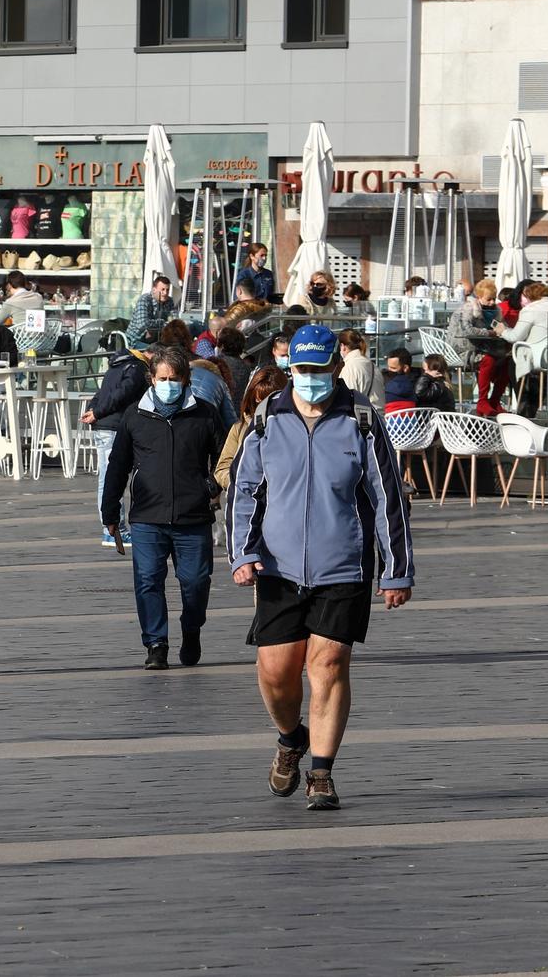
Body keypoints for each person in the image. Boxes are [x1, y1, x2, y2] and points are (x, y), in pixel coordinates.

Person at [226, 325, 413, 813]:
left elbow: (387, 497)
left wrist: (396, 570)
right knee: (275, 673)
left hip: (343, 567)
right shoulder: (267, 419)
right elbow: (243, 491)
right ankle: (291, 737)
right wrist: (242, 554)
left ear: (336, 367)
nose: (310, 379)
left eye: (319, 370)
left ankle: (322, 773)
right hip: (278, 568)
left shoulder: (361, 420)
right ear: (291, 370)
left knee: (327, 666)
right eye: (302, 370)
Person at [101, 347, 227, 669]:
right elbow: (117, 466)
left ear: (185, 379)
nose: (168, 384)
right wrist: (110, 512)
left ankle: (192, 627)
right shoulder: (135, 415)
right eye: (162, 378)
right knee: (147, 581)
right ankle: (156, 644)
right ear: (151, 379)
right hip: (147, 516)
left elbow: (225, 456)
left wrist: (212, 484)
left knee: (196, 582)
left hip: (193, 516)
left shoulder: (204, 413)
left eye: (174, 378)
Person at [83, 345, 150, 549]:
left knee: (107, 476)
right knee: (110, 477)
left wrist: (93, 410)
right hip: (112, 425)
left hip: (102, 425)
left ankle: (112, 528)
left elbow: (103, 392)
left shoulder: (116, 365)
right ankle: (113, 530)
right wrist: (98, 412)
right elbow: (122, 394)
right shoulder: (138, 368)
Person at [500, 281, 548, 414]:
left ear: (530, 296)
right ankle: (535, 404)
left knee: (512, 362)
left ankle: (524, 404)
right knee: (538, 370)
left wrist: (502, 330)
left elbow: (515, 337)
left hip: (541, 358)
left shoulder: (531, 309)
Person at [216, 366, 289, 496]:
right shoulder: (239, 428)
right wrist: (241, 485)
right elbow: (222, 469)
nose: (265, 406)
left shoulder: (292, 428)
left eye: (271, 400)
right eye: (259, 400)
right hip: (245, 500)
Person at [449, 279, 510, 417]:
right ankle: (482, 401)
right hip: (464, 350)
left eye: (494, 299)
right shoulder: (468, 309)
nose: (492, 303)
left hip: (484, 348)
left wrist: (506, 331)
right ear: (479, 297)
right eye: (489, 299)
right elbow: (467, 331)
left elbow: (504, 326)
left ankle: (494, 400)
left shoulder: (495, 311)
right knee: (488, 360)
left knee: (507, 362)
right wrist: (489, 333)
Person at [336, 328, 381, 407]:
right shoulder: (373, 365)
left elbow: (348, 399)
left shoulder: (348, 367)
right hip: (378, 416)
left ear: (342, 346)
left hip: (360, 416)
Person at [130, 274, 175, 344]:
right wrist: (162, 323)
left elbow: (173, 320)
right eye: (162, 289)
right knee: (160, 352)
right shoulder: (144, 300)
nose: (165, 293)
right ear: (154, 290)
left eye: (167, 290)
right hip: (137, 340)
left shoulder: (169, 301)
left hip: (157, 340)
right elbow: (143, 324)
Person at [381, 347, 417, 412]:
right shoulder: (419, 381)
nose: (389, 370)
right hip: (413, 420)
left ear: (405, 368)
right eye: (388, 367)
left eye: (393, 368)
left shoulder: (387, 381)